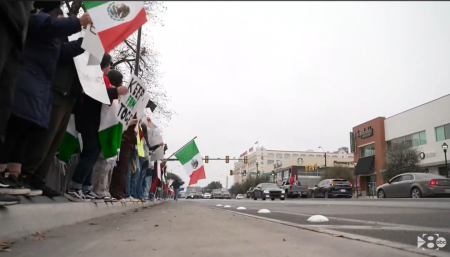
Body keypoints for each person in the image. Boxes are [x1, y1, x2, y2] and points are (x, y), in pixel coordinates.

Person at [0, 1, 92, 196]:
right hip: (26, 83)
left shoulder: (53, 40)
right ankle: (4, 174)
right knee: (14, 130)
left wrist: (91, 39)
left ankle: (13, 176)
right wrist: (78, 21)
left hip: (37, 89)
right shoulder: (37, 20)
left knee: (24, 132)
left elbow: (64, 53)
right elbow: (47, 25)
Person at [20, 7, 85, 198]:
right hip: (56, 91)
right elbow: (63, 54)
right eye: (61, 18)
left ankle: (39, 177)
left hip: (69, 95)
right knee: (45, 138)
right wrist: (84, 42)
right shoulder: (51, 35)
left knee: (55, 140)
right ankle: (27, 174)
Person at [65, 54, 128, 202]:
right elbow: (97, 94)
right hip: (89, 120)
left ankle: (85, 187)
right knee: (92, 152)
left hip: (94, 121)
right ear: (105, 65)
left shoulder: (98, 77)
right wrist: (116, 92)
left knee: (91, 152)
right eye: (109, 64)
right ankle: (75, 186)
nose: (110, 67)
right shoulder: (94, 77)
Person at [90, 69, 125, 202]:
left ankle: (104, 189)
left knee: (107, 165)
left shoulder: (115, 97)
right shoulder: (109, 94)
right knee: (102, 164)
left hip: (111, 133)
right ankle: (98, 190)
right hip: (105, 131)